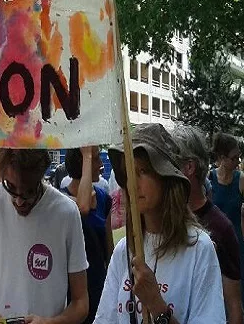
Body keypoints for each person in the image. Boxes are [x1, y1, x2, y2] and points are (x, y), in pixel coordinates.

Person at [96, 123, 225, 323]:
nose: (132, 182)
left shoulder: (199, 248)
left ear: (166, 178)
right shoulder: (124, 250)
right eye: (129, 172)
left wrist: (157, 305)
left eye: (143, 171)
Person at [0, 148, 89, 323]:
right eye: (10, 187)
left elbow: (81, 302)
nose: (19, 201)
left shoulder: (66, 213)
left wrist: (50, 323)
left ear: (41, 175)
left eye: (29, 191)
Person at [172, 125, 243, 324]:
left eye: (170, 162)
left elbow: (234, 308)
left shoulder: (221, 229)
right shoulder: (164, 222)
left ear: (189, 167)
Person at [63, 147, 113, 324]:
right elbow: (83, 207)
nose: (101, 164)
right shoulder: (61, 200)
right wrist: (87, 154)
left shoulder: (104, 199)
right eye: (96, 159)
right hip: (72, 291)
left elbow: (110, 248)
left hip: (99, 285)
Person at [209, 132, 244, 302]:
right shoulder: (209, 179)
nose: (238, 162)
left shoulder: (241, 179)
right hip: (216, 246)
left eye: (239, 157)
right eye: (234, 158)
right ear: (222, 158)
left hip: (238, 245)